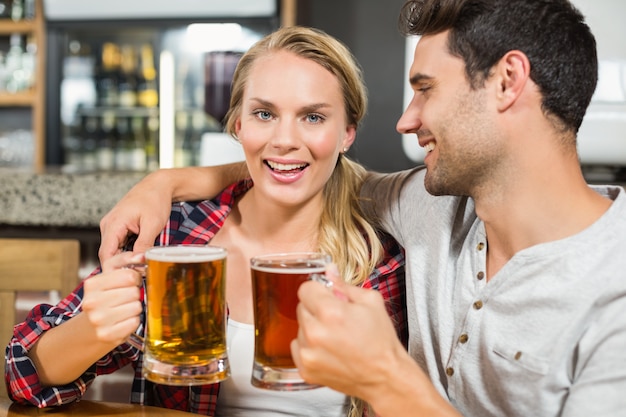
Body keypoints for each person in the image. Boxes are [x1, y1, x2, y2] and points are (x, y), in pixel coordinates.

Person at [94, 0, 626, 416]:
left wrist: (384, 378)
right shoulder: (431, 206)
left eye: (425, 90)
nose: (406, 120)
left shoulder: (613, 291)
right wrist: (170, 180)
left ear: (507, 81)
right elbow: (304, 166)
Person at [4, 26, 407, 417]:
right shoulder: (176, 236)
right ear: (238, 126)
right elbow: (22, 376)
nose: (284, 139)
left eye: (313, 117)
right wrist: (95, 329)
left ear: (347, 134)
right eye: (264, 114)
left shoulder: (379, 257)